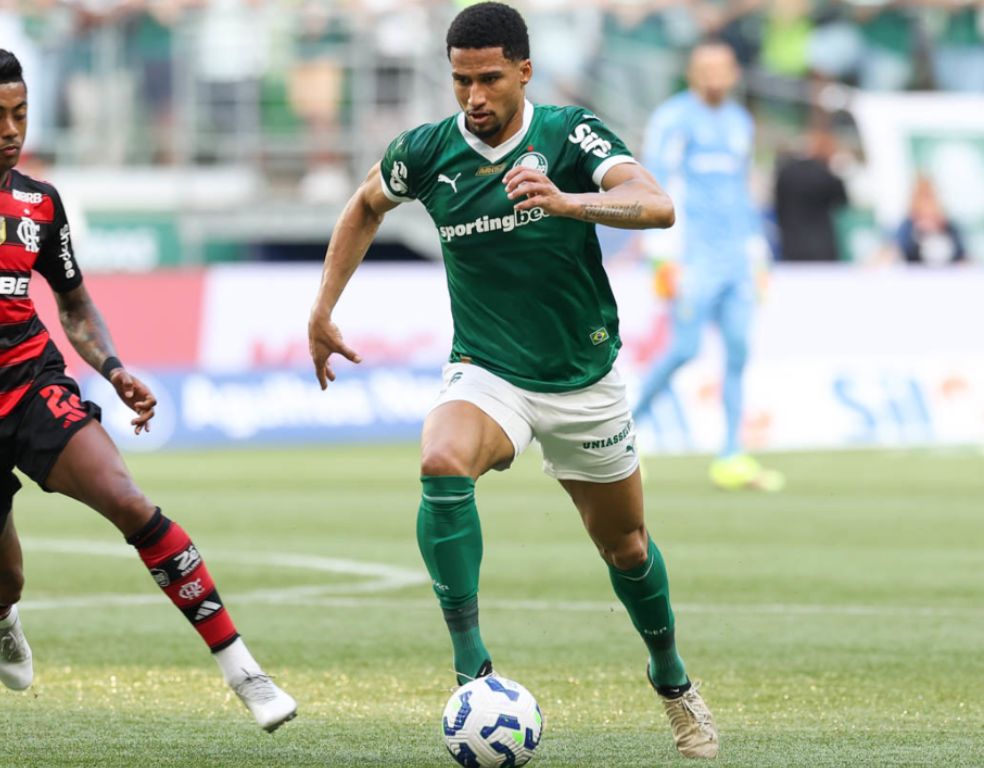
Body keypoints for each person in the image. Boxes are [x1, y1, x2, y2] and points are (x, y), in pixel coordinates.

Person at [0, 45, 296, 732]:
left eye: (20, 113)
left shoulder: (40, 203)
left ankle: (244, 671)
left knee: (129, 501)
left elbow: (73, 306)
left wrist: (112, 366)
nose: (11, 130)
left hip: (31, 386)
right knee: (3, 577)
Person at [307, 3, 718, 759]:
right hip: (489, 372)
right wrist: (323, 309)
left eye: (490, 79)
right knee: (441, 460)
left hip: (583, 379)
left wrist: (569, 201)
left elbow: (658, 204)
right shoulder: (425, 152)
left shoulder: (569, 134)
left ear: (525, 71)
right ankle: (472, 667)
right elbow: (365, 206)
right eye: (461, 80)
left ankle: (671, 677)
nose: (474, 96)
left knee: (626, 547)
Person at [632, 40, 783, 492]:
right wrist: (661, 255)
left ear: (734, 74)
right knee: (684, 349)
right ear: (692, 73)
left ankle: (732, 455)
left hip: (736, 258)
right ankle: (622, 436)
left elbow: (744, 190)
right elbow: (653, 185)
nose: (715, 76)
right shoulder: (672, 119)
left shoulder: (740, 122)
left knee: (738, 351)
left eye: (723, 68)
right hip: (692, 257)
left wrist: (757, 254)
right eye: (706, 68)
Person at [774, 126, 848, 263]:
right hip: (822, 245)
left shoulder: (786, 173)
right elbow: (843, 201)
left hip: (792, 243)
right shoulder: (826, 175)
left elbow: (778, 205)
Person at [895, 176, 968, 267]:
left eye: (929, 196)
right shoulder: (907, 227)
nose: (926, 203)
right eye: (922, 197)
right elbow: (897, 250)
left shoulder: (948, 226)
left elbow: (963, 256)